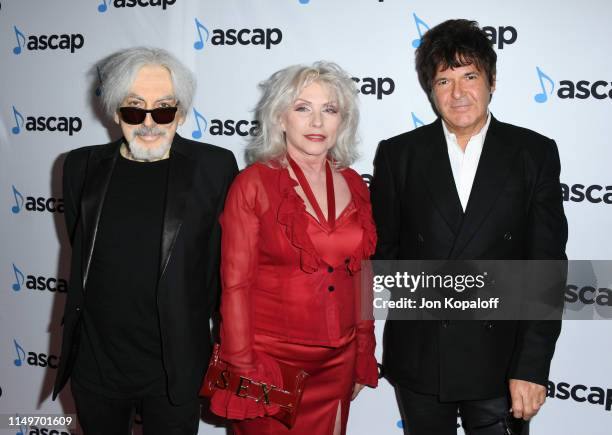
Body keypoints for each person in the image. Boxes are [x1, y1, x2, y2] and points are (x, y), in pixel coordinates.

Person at [370, 19, 568, 435]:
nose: (458, 94)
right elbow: (384, 263)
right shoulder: (398, 155)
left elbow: (546, 269)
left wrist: (532, 367)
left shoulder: (533, 153)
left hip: (502, 363)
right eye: (444, 81)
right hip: (421, 359)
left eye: (469, 76)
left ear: (492, 80)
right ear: (430, 89)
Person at [52, 47, 238, 435]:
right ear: (117, 112)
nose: (149, 122)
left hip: (176, 366)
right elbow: (80, 244)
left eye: (164, 109)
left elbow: (222, 264)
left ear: (182, 113)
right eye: (135, 109)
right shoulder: (79, 166)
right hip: (96, 363)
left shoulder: (214, 167)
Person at [209, 62, 378, 434]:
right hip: (269, 364)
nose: (316, 122)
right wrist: (241, 367)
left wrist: (364, 350)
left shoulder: (355, 184)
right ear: (280, 118)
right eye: (303, 108)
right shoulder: (252, 184)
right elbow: (235, 286)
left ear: (342, 121)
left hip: (339, 360)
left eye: (329, 110)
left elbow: (362, 274)